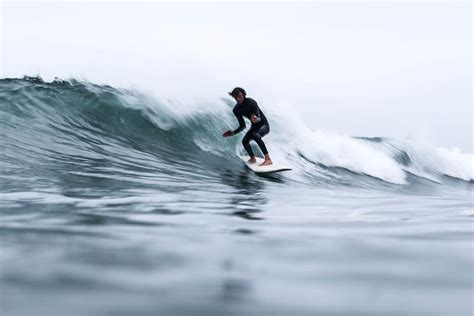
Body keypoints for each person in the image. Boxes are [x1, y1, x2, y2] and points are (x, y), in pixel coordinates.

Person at [223, 87, 273, 166]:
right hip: (254, 127)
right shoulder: (236, 110)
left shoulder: (251, 102)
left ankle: (268, 159)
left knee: (255, 135)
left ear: (244, 95)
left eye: (239, 96)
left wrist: (256, 119)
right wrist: (233, 132)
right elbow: (243, 126)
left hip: (264, 125)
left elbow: (259, 118)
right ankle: (253, 158)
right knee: (245, 141)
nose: (238, 99)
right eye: (236, 97)